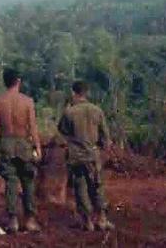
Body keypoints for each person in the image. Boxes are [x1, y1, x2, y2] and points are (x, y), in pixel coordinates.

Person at [57, 80, 114, 231]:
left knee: (80, 187)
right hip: (92, 154)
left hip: (76, 156)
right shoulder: (97, 110)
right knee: (97, 186)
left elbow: (62, 131)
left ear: (73, 93)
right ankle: (102, 219)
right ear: (86, 93)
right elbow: (106, 137)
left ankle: (87, 221)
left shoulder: (69, 112)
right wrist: (103, 149)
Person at [0, 66, 42, 233]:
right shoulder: (27, 101)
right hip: (23, 145)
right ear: (18, 81)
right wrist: (38, 147)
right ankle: (30, 220)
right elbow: (32, 127)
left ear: (4, 82)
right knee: (28, 182)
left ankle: (12, 220)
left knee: (11, 183)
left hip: (6, 144)